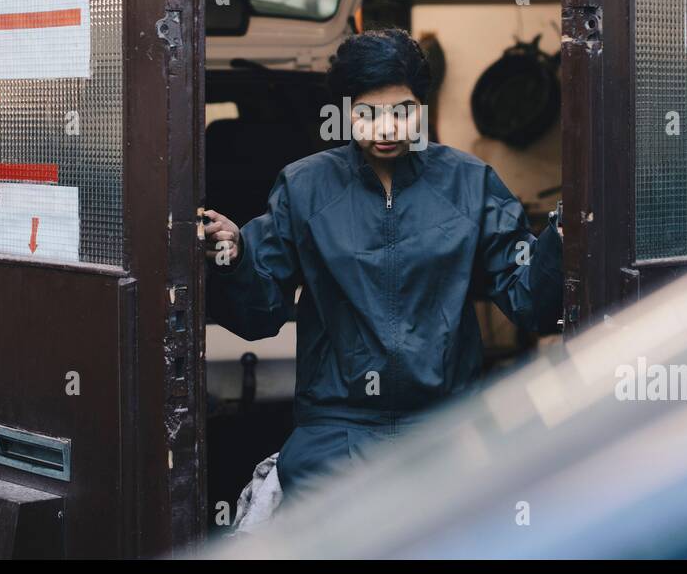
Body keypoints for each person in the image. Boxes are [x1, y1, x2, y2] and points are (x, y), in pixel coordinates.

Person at [204, 28, 563, 501]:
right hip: (335, 433)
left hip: (448, 425)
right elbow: (258, 314)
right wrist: (234, 256)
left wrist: (559, 239)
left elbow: (529, 303)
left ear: (422, 107)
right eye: (367, 114)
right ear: (344, 112)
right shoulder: (305, 186)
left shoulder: (469, 183)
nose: (387, 128)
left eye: (403, 111)